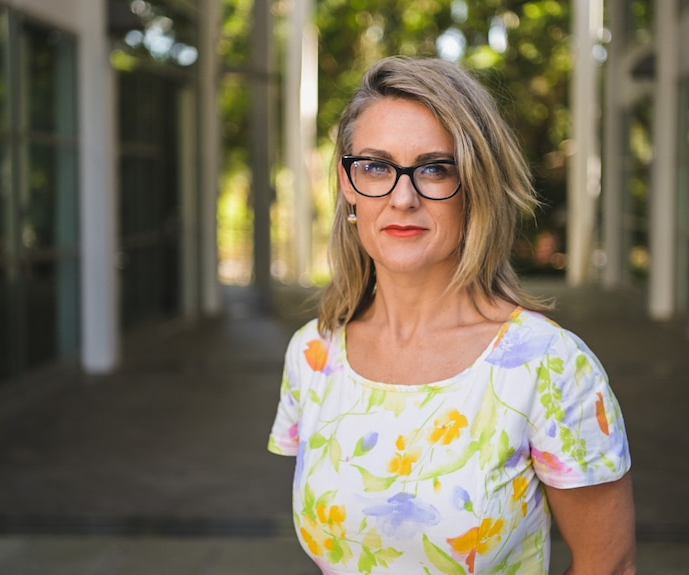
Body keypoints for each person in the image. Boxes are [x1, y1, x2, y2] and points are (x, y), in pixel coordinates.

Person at [268, 55, 635, 575]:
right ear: (348, 186)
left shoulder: (549, 366)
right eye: (375, 166)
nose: (402, 197)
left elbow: (610, 564)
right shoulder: (314, 353)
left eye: (435, 168)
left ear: (477, 186)